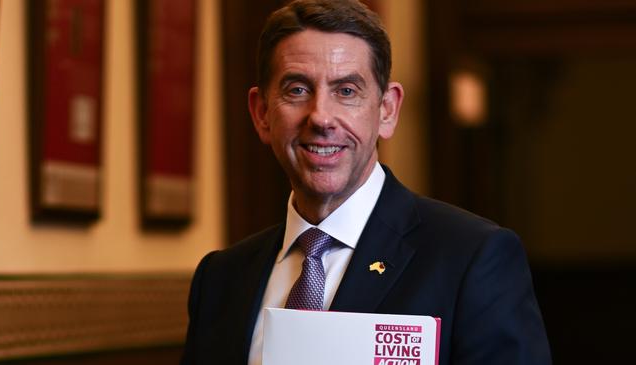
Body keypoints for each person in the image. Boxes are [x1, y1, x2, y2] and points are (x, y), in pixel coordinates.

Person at [181, 0, 551, 364]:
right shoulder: (221, 278)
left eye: (346, 91)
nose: (321, 117)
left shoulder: (471, 258)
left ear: (387, 110)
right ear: (262, 113)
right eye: (297, 90)